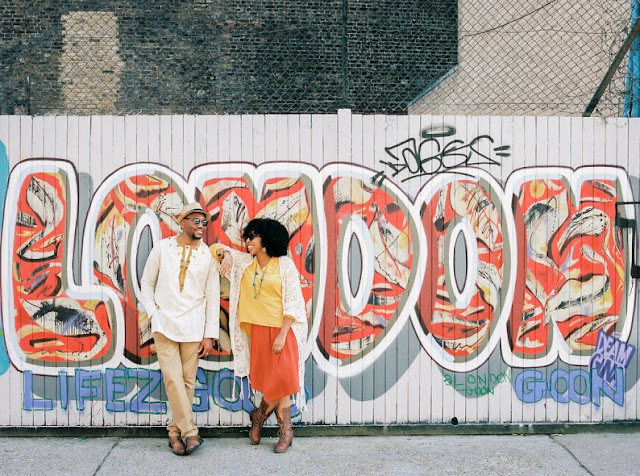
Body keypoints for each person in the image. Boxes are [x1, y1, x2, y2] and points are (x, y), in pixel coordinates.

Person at [214, 218, 307, 453]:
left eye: (253, 236)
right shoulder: (245, 262)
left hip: (283, 331)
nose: (248, 241)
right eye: (247, 236)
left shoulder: (284, 265)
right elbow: (214, 249)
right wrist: (226, 254)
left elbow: (294, 302)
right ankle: (280, 429)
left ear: (266, 240)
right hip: (257, 332)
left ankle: (266, 420)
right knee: (272, 382)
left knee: (283, 380)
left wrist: (282, 334)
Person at [140, 202, 220, 456]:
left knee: (187, 382)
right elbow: (147, 282)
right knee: (173, 378)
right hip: (164, 325)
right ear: (182, 222)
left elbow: (212, 296)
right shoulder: (163, 248)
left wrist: (209, 335)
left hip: (194, 327)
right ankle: (191, 432)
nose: (201, 226)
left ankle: (175, 433)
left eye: (204, 222)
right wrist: (154, 314)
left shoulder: (208, 256)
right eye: (196, 221)